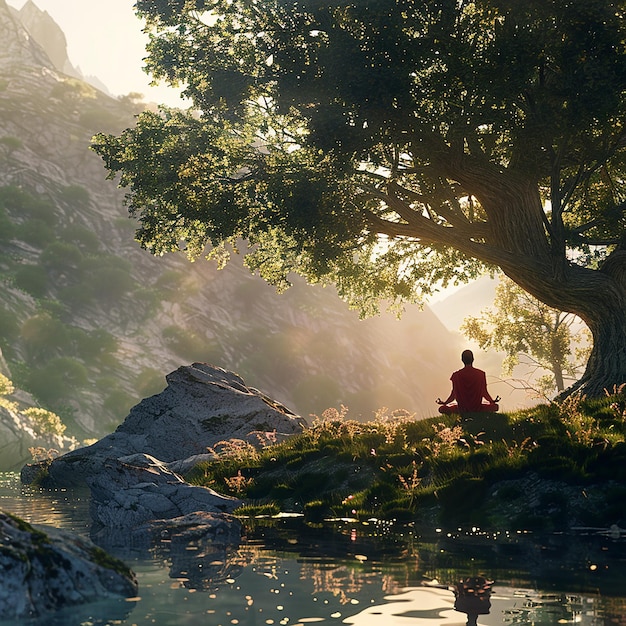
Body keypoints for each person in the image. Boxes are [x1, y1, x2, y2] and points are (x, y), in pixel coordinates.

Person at [436, 350, 500, 414]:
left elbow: (453, 395)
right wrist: (492, 401)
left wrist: (445, 403)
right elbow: (484, 392)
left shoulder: (456, 375)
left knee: (442, 409)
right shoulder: (480, 374)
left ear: (462, 360)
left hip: (462, 409)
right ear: (473, 359)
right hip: (477, 408)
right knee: (495, 407)